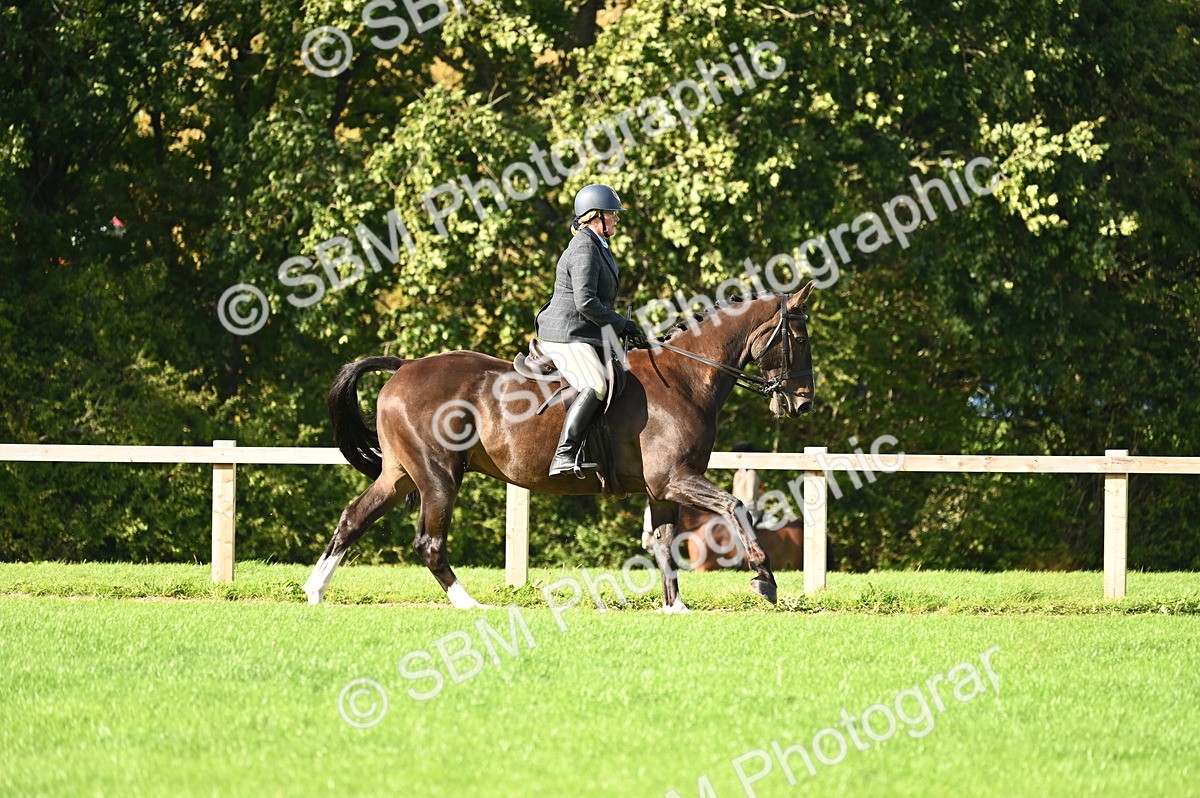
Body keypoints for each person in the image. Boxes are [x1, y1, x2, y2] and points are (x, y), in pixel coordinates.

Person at [535, 184, 649, 477]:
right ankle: (565, 453)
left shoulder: (598, 245)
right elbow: (585, 302)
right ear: (595, 216)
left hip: (585, 330)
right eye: (612, 214)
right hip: (567, 332)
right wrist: (621, 324)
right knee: (596, 384)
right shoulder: (585, 247)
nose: (616, 220)